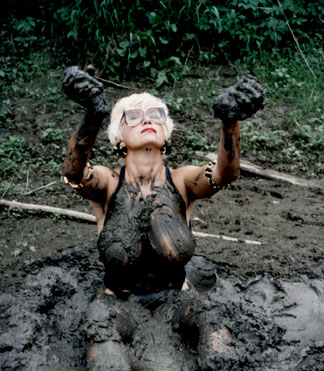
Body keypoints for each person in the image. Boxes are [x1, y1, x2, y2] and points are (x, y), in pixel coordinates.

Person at [61, 67, 264, 306]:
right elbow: (74, 173)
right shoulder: (108, 183)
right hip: (117, 305)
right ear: (119, 137)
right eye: (134, 116)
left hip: (178, 301)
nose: (147, 119)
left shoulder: (183, 181)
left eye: (156, 115)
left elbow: (225, 174)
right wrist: (93, 114)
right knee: (101, 331)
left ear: (166, 135)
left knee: (215, 330)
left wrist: (230, 121)